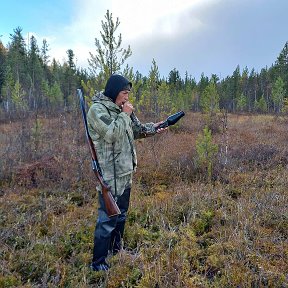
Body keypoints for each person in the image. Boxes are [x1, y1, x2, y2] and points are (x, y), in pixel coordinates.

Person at [87, 74, 167, 271]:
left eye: (128, 93)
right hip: (110, 175)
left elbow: (135, 130)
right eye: (124, 93)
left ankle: (116, 251)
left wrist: (154, 128)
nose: (127, 97)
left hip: (125, 171)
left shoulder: (122, 109)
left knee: (121, 215)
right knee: (107, 220)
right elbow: (112, 134)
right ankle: (98, 263)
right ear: (114, 92)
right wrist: (125, 114)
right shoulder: (97, 111)